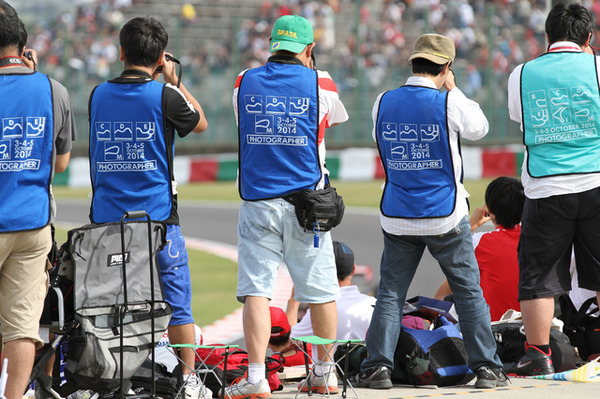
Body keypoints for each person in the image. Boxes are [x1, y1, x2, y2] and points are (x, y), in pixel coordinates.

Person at [351, 33, 507, 390]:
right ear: (446, 67)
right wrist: (454, 89)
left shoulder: (382, 101)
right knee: (468, 292)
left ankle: (377, 367)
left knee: (390, 293)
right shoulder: (448, 101)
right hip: (444, 215)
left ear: (412, 63)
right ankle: (487, 368)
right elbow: (479, 128)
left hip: (397, 213)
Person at [87, 16, 209, 398]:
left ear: (121, 52)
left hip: (106, 223)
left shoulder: (97, 94)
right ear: (159, 59)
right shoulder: (165, 95)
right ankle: (188, 381)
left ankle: (108, 381)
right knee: (178, 304)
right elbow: (200, 123)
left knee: (109, 306)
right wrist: (174, 80)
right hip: (159, 222)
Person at [230, 14, 349, 399]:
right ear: (309, 50)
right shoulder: (322, 83)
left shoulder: (243, 82)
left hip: (257, 202)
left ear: (272, 47)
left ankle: (256, 376)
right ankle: (324, 374)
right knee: (321, 291)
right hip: (308, 206)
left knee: (257, 293)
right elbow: (331, 120)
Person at [507, 2, 600, 376]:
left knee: (538, 276)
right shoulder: (596, 66)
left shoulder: (522, 73)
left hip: (545, 187)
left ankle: (537, 353)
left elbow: (519, 117)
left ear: (546, 37)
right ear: (588, 38)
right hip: (596, 179)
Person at [0, 2, 75, 398]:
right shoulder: (52, 88)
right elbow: (59, 164)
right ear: (22, 42)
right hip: (32, 225)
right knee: (22, 328)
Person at [434, 177, 525, 321]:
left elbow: (444, 250)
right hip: (536, 326)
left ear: (489, 210)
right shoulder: (539, 241)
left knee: (444, 297)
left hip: (494, 327)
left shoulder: (480, 241)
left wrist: (471, 224)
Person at [288, 241, 376, 358]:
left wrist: (294, 300)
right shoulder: (374, 304)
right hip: (368, 373)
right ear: (353, 269)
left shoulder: (320, 309)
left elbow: (287, 341)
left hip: (327, 374)